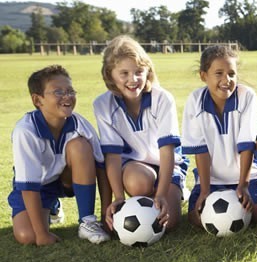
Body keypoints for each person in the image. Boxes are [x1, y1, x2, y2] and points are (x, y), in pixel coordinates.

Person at [181, 45, 257, 227]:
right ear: (203, 76)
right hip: (213, 181)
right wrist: (205, 190)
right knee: (197, 219)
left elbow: (247, 145)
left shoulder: (246, 96)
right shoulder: (195, 100)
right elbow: (201, 150)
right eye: (219, 73)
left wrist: (243, 186)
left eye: (232, 74)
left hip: (249, 178)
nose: (226, 79)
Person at [7, 64, 111, 245]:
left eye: (71, 91)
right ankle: (52, 206)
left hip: (66, 180)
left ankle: (87, 222)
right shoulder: (25, 131)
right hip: (37, 187)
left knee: (80, 146)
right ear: (38, 100)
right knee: (27, 236)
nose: (67, 96)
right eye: (58, 92)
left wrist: (106, 217)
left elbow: (101, 168)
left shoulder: (80, 124)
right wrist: (41, 234)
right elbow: (29, 186)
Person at [94, 35, 188, 232]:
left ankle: (173, 190)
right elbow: (112, 156)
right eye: (124, 73)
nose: (133, 79)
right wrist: (119, 198)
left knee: (167, 224)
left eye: (139, 72)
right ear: (110, 74)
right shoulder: (103, 105)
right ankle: (145, 195)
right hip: (134, 168)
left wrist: (162, 194)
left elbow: (167, 151)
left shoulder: (162, 99)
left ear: (148, 72)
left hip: (166, 164)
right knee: (138, 183)